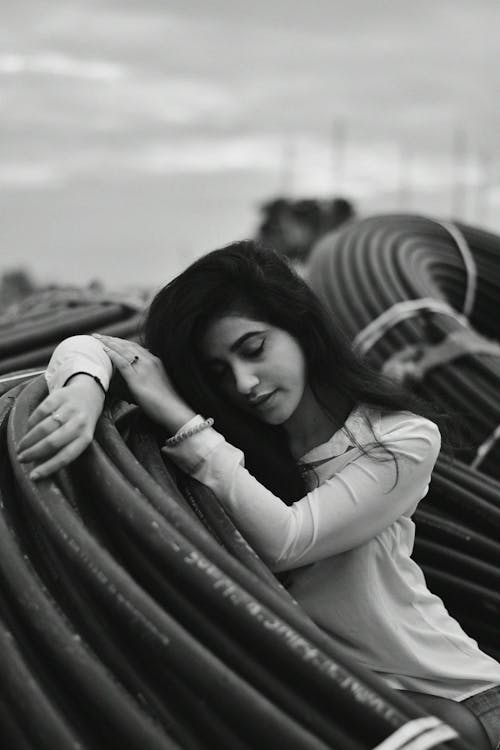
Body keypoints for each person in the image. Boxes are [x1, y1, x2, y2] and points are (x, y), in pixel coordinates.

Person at [17, 241, 500, 748]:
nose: (244, 383)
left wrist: (183, 422)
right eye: (220, 371)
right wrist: (82, 388)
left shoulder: (401, 439)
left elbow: (288, 540)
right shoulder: (238, 431)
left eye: (253, 349)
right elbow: (91, 345)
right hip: (319, 700)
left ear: (301, 329)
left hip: (459, 702)